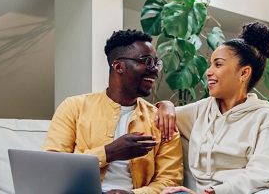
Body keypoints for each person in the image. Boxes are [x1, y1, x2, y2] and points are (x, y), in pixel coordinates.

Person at [156, 21, 269, 194]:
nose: (208, 72)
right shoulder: (202, 110)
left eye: (218, 64)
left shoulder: (264, 116)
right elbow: (158, 116)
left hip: (261, 190)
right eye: (210, 65)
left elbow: (265, 171)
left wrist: (219, 191)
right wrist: (166, 105)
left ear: (244, 73)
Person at [43, 29, 183, 194]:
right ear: (119, 66)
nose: (154, 70)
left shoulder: (161, 119)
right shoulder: (74, 107)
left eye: (156, 63)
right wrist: (108, 153)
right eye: (147, 61)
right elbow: (52, 167)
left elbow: (170, 181)